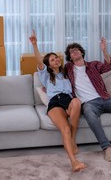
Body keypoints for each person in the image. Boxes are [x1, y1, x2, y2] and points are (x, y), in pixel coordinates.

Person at [29, 30, 87, 172]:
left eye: (57, 58)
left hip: (68, 100)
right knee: (65, 128)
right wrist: (35, 45)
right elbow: (38, 61)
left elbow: (80, 66)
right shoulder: (45, 75)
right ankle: (74, 162)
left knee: (77, 102)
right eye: (52, 60)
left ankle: (73, 140)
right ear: (49, 65)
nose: (56, 60)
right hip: (55, 103)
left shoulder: (66, 72)